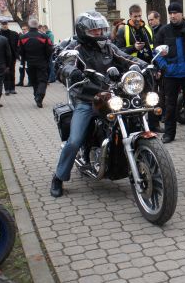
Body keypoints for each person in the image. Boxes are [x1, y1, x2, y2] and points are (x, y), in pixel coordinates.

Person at [50, 11, 146, 197]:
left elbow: (126, 58)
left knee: (136, 116)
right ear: (84, 31)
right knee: (75, 140)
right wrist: (72, 72)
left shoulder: (108, 47)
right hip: (86, 99)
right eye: (95, 31)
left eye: (102, 29)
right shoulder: (76, 47)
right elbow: (64, 64)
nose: (100, 33)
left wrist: (144, 65)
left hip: (112, 96)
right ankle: (59, 177)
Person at [154, 2, 185, 143]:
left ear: (181, 13)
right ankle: (169, 134)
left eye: (175, 13)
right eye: (170, 13)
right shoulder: (164, 31)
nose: (173, 15)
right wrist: (165, 67)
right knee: (170, 106)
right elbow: (156, 52)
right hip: (171, 75)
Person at [19, 18, 54, 108]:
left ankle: (37, 96)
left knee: (34, 81)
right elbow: (50, 50)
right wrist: (46, 59)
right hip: (42, 62)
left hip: (30, 63)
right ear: (38, 25)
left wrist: (24, 58)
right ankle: (39, 97)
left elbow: (20, 51)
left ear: (29, 26)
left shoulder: (23, 37)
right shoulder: (44, 37)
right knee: (42, 80)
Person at [0, 21, 19, 95]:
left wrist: (17, 53)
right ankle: (7, 89)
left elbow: (18, 45)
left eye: (6, 24)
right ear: (1, 25)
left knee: (12, 72)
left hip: (12, 56)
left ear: (8, 25)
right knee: (5, 73)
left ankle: (12, 88)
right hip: (3, 57)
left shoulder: (14, 34)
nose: (4, 26)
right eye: (3, 24)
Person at [17, 22, 29, 86]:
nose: (23, 30)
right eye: (22, 29)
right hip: (22, 56)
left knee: (28, 69)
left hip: (27, 56)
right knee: (21, 69)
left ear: (27, 29)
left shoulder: (28, 36)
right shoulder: (21, 36)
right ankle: (21, 82)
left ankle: (30, 81)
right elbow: (19, 46)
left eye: (24, 29)